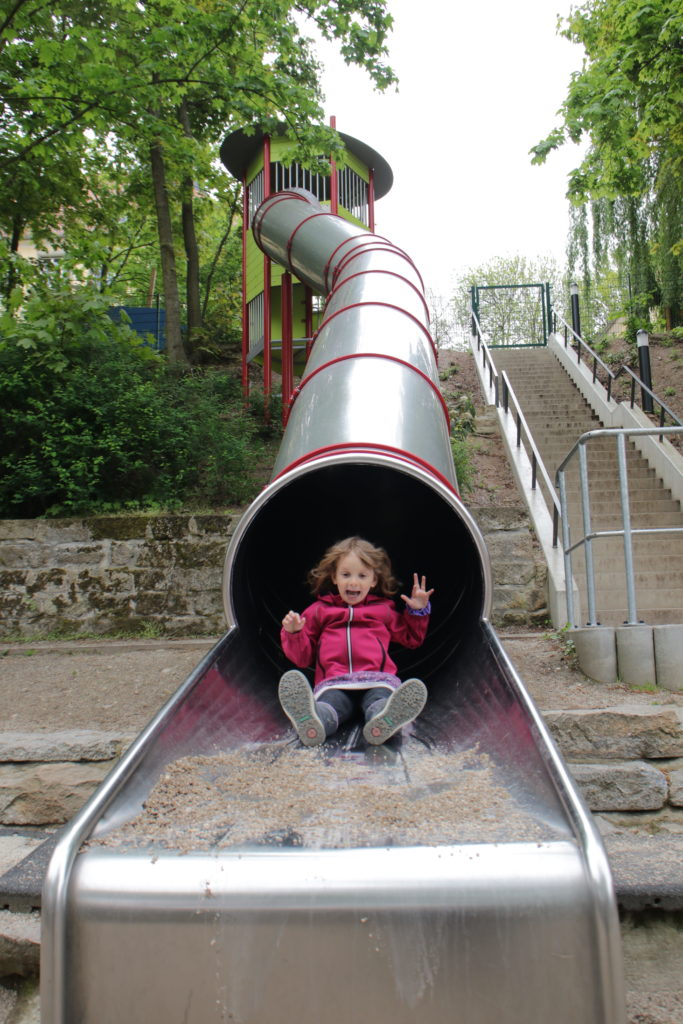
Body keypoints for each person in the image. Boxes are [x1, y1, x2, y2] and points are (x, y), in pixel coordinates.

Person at [279, 536, 433, 746]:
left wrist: (417, 610)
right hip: (335, 682)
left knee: (380, 702)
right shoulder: (319, 612)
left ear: (373, 581)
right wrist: (294, 633)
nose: (353, 582)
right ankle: (313, 722)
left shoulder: (383, 610)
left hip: (377, 679)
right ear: (334, 577)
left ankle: (385, 720)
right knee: (329, 707)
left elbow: (411, 638)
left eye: (362, 575)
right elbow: (302, 658)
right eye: (346, 574)